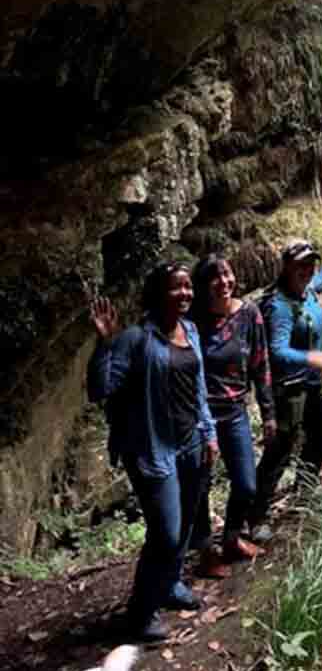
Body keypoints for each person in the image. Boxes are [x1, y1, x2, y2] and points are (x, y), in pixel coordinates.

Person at [87, 263, 218, 643]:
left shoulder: (190, 330)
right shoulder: (134, 338)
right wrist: (105, 343)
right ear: (159, 293)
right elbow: (100, 389)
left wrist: (209, 433)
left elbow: (198, 388)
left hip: (191, 442)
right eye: (176, 287)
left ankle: (170, 584)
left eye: (188, 286)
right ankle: (141, 614)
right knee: (165, 532)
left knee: (186, 522)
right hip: (152, 448)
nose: (185, 293)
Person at [249, 235, 322, 537]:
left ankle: (304, 490)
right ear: (286, 267)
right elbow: (277, 352)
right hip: (288, 388)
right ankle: (256, 516)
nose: (306, 270)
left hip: (311, 383)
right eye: (300, 265)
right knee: (280, 449)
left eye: (310, 264)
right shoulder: (280, 306)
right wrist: (319, 358)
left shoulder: (307, 291)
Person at [189, 254, 276, 578]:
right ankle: (206, 552)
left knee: (246, 483)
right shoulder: (192, 322)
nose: (224, 282)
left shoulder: (249, 314)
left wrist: (268, 412)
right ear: (203, 285)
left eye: (227, 274)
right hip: (200, 417)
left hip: (236, 411)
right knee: (200, 486)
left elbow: (260, 363)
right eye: (215, 277)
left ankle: (231, 537)